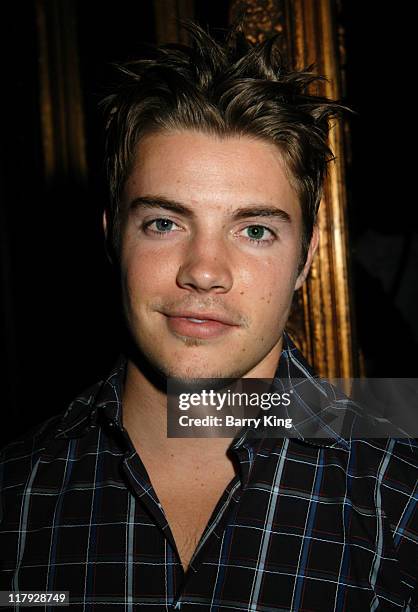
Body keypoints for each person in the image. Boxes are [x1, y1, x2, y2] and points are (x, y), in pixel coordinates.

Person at [1, 23, 416, 611]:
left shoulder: (402, 500)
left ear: (306, 258)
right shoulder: (16, 494)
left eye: (254, 231)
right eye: (165, 223)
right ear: (113, 236)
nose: (203, 271)